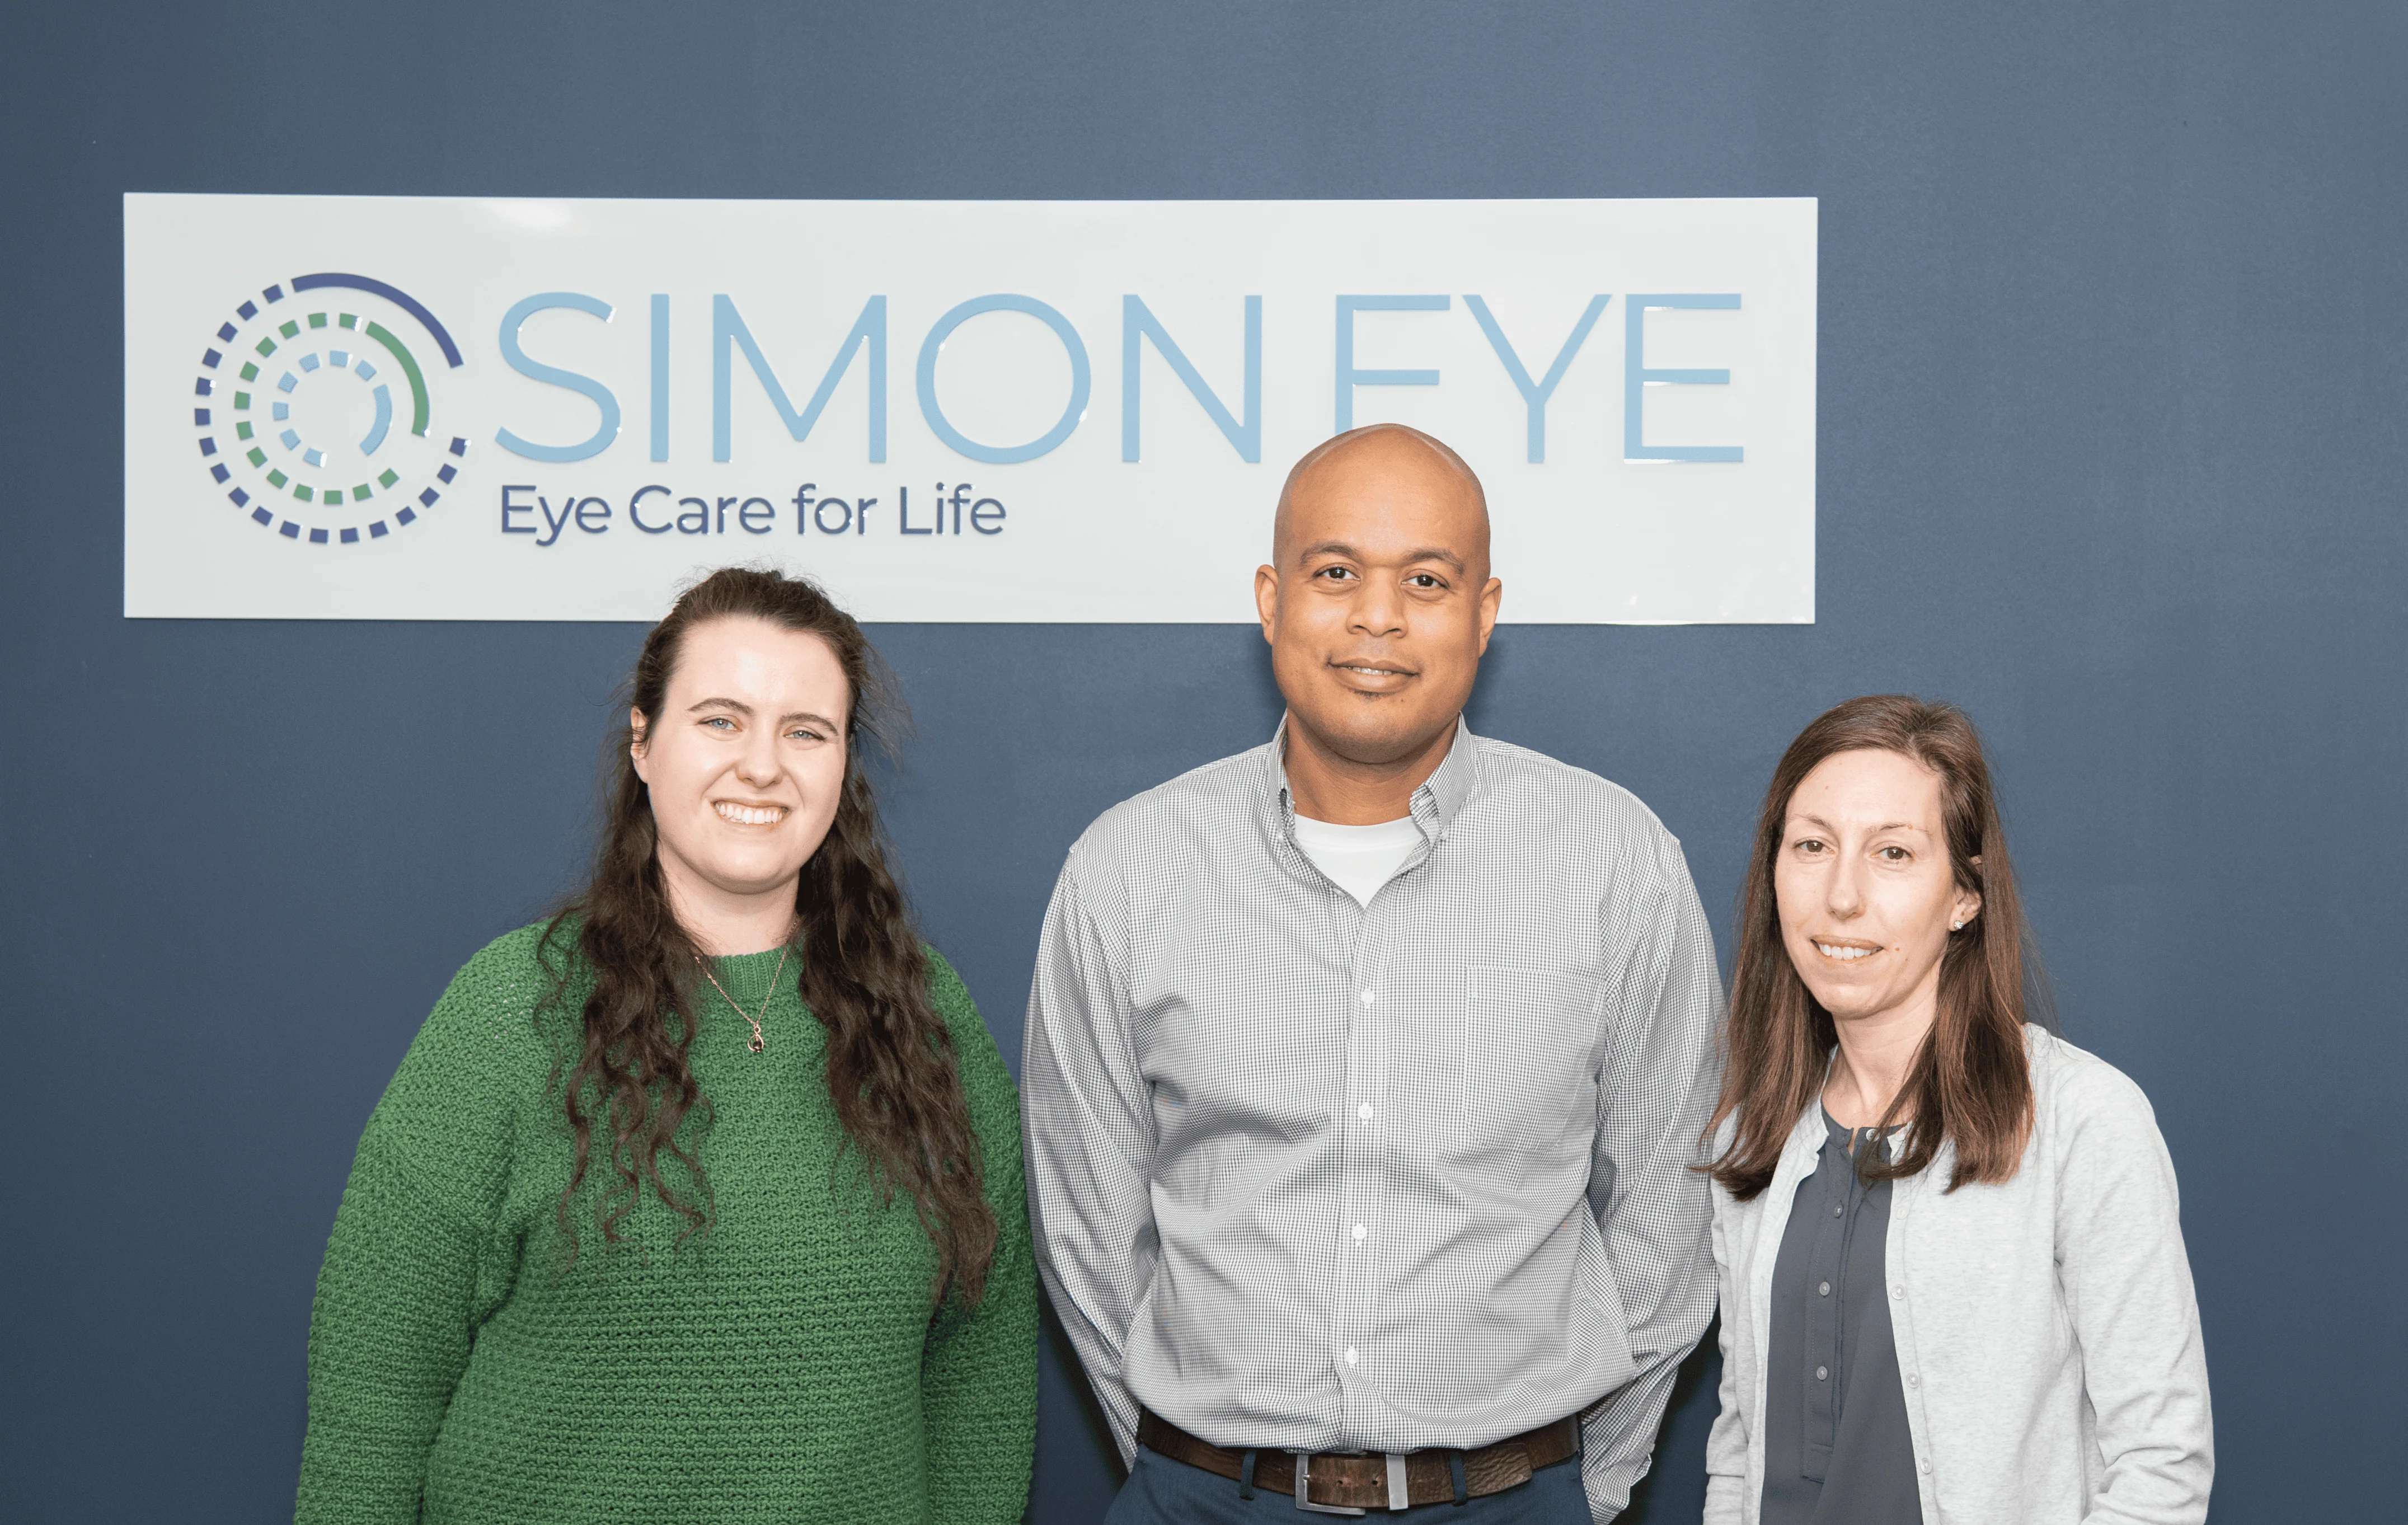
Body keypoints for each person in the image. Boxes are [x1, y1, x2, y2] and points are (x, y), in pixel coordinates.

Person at [1022, 424, 1723, 1523]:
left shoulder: (1612, 862)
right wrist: (1190, 1469)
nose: (1378, 618)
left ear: (1484, 613)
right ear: (1272, 600)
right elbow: (1087, 1230)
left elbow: (1670, 1210)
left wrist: (1583, 1490)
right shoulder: (1129, 868)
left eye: (1427, 580)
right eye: (1336, 573)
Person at [293, 567, 1036, 1523]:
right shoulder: (515, 1008)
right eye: (721, 720)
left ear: (844, 763)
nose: (762, 766)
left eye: (805, 732)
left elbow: (981, 1369)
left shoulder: (925, 1015)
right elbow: (375, 1384)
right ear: (643, 743)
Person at [1702, 695, 2212, 1525]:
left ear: (1965, 895)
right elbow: (1740, 1443)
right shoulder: (1751, 1132)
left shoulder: (2082, 1121)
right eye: (1812, 846)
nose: (1841, 896)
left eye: (1893, 853)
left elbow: (2161, 1465)